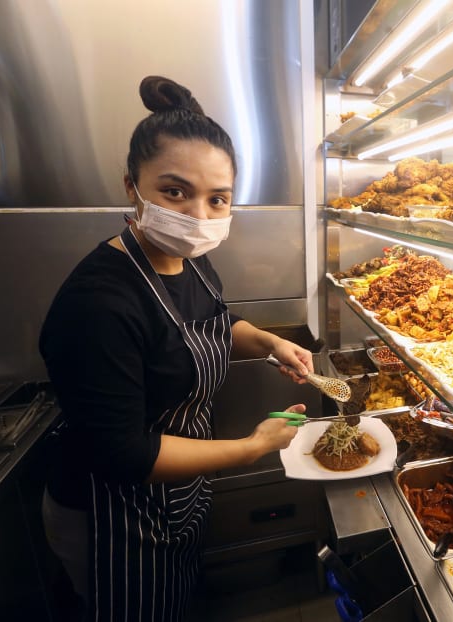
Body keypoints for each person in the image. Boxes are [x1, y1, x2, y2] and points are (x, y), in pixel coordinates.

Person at [39, 75, 313, 622]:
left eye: (218, 199)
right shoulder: (99, 302)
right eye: (174, 192)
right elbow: (124, 455)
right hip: (111, 517)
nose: (198, 217)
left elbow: (212, 323)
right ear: (130, 186)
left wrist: (267, 341)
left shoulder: (189, 259)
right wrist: (251, 446)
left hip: (177, 496)